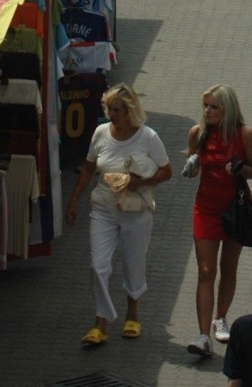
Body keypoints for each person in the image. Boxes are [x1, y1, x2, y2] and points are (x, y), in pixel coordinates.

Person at [64, 82, 172, 346]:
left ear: (130, 110)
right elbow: (89, 169)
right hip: (103, 207)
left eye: (118, 110)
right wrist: (74, 200)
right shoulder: (101, 133)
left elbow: (166, 171)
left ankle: (132, 314)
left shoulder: (148, 137)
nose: (112, 115)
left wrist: (140, 183)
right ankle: (100, 322)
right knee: (97, 266)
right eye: (110, 109)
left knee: (133, 264)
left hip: (136, 210)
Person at [185, 85, 252, 356]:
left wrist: (240, 167)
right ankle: (203, 335)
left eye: (213, 106)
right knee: (206, 271)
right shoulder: (198, 133)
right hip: (205, 208)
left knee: (228, 267)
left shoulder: (244, 134)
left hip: (235, 209)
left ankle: (221, 317)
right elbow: (193, 165)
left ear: (227, 109)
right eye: (205, 105)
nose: (208, 111)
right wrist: (192, 167)